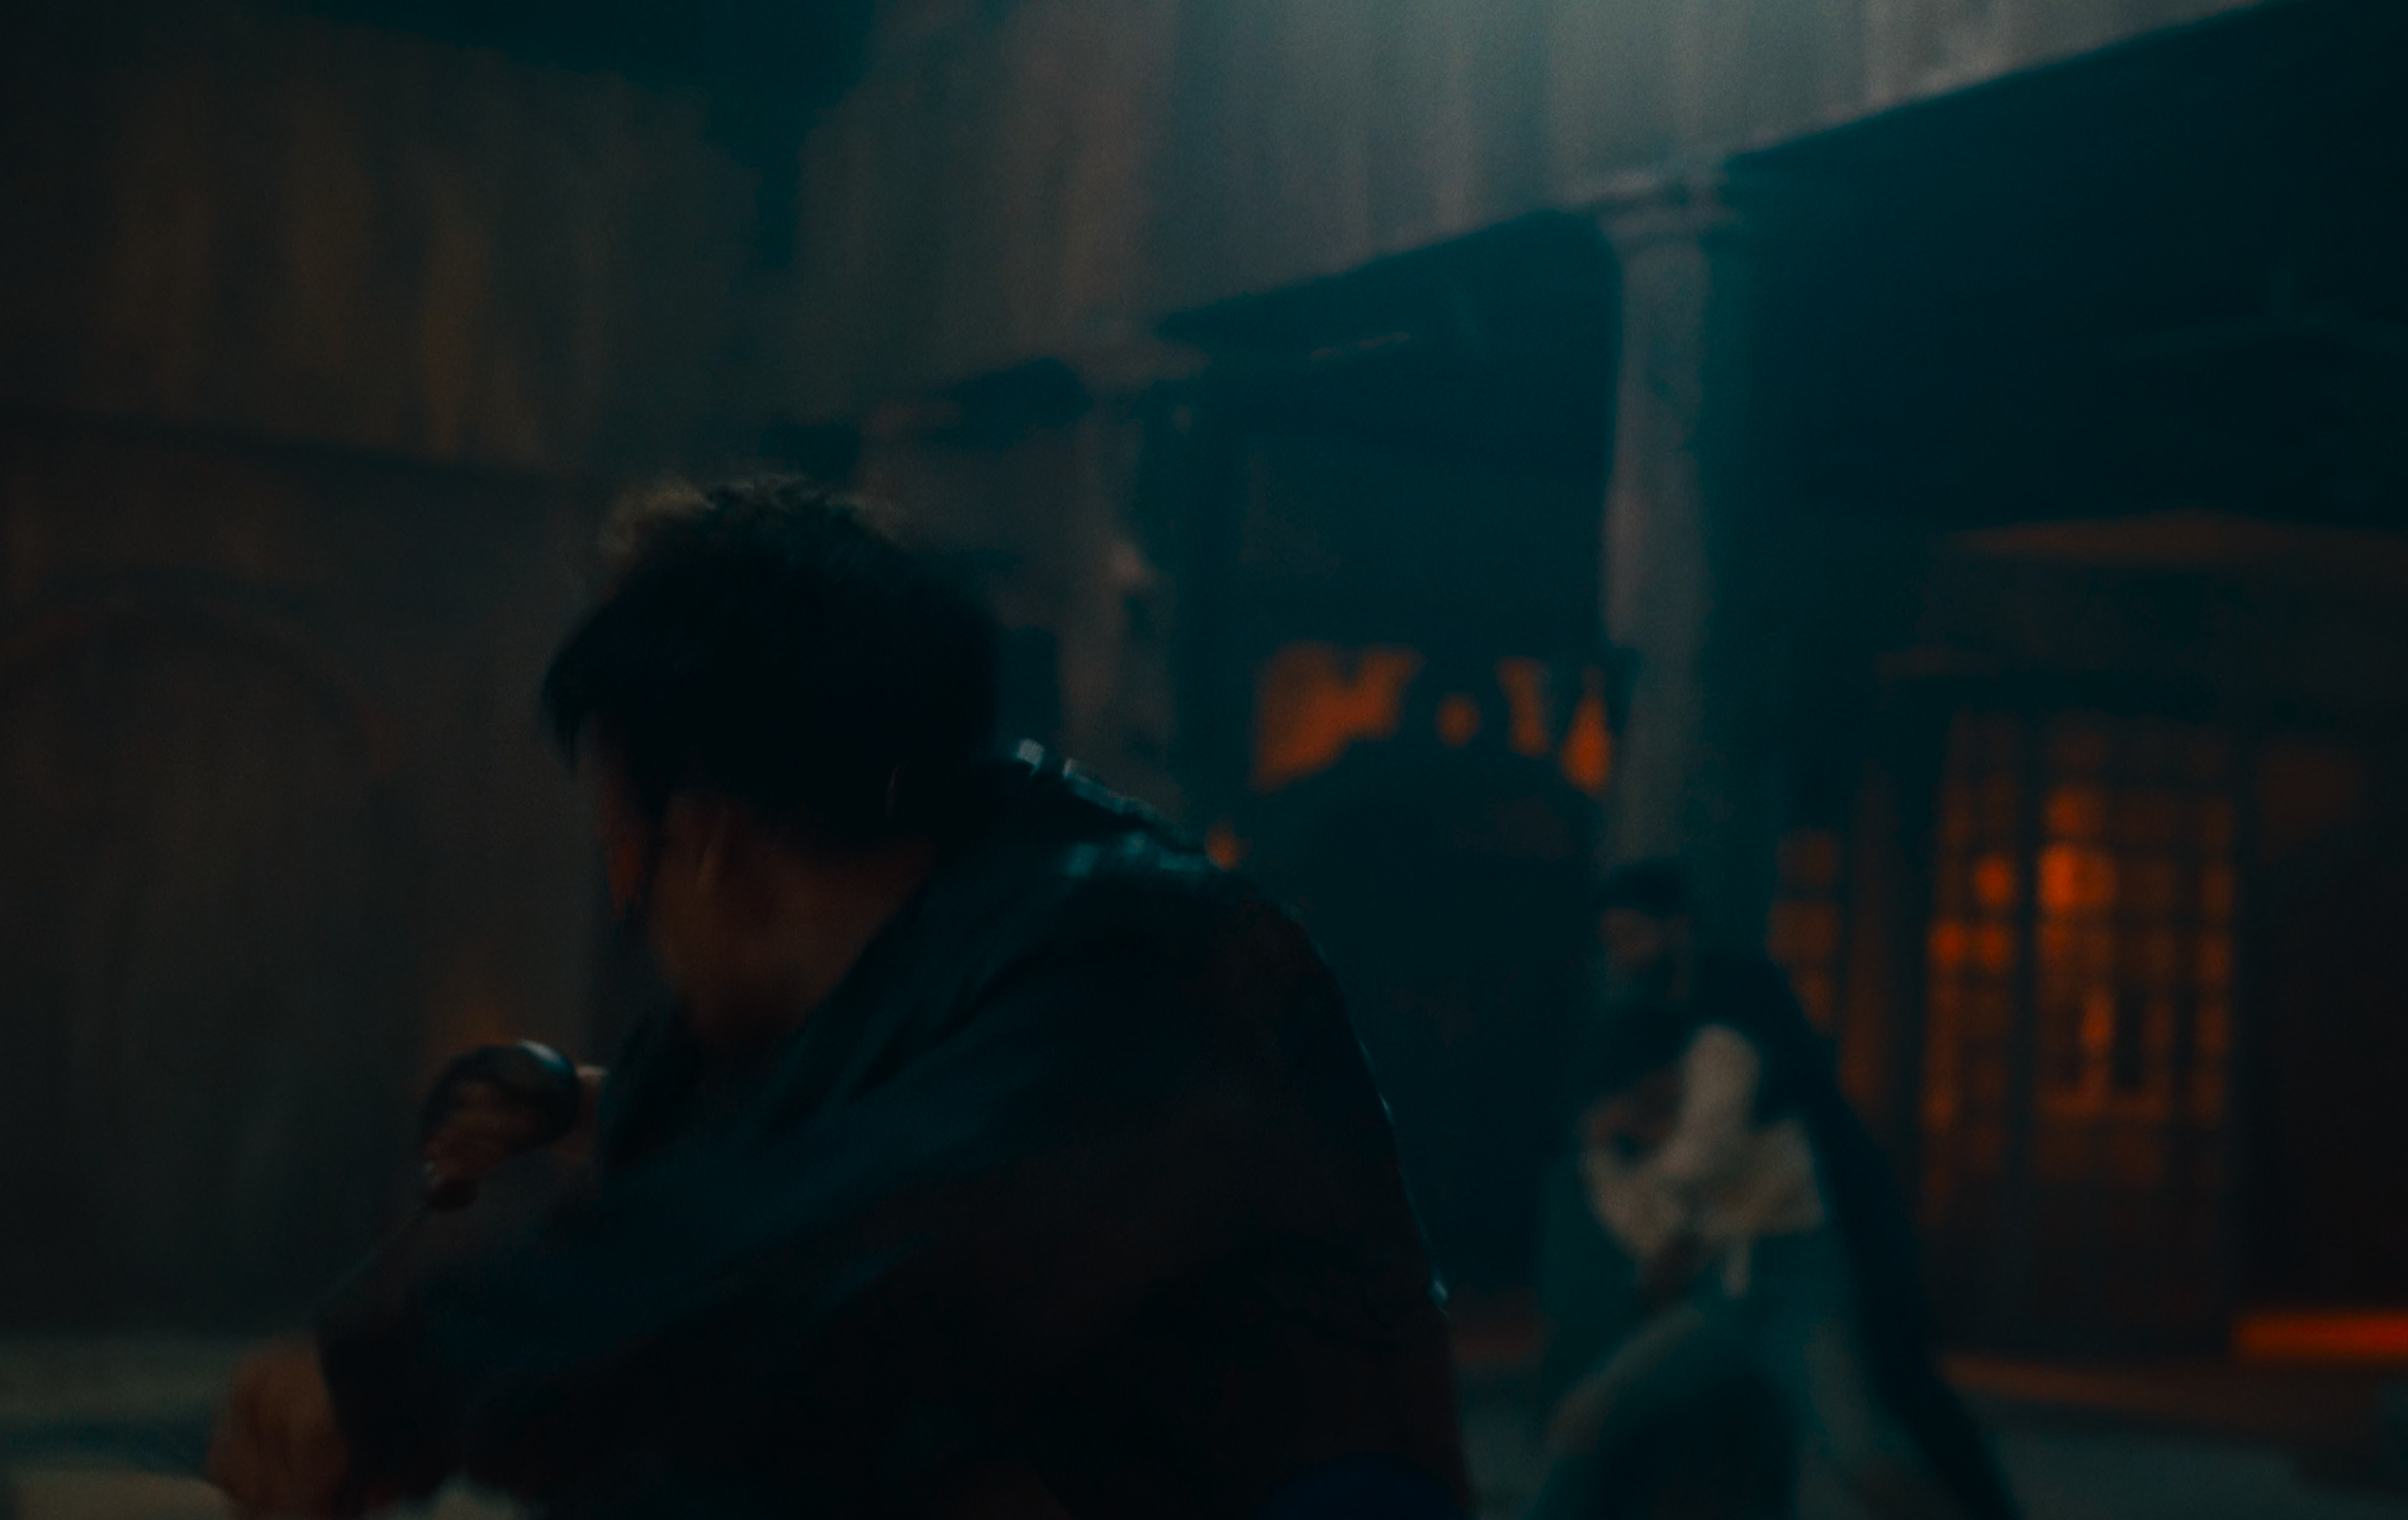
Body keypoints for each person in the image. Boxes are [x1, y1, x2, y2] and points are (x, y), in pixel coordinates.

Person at [205, 477, 1468, 1519]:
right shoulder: (807, 1006)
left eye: (628, 856)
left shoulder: (1147, 954)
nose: (638, 914)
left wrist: (410, 1378)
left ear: (708, 838)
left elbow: (833, 1252)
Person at [1529, 864, 2017, 1520]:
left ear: (1676, 928)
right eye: (1613, 941)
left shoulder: (1731, 1022)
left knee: (1868, 1453)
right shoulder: (1651, 1028)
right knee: (1587, 1415)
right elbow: (1655, 1205)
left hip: (1805, 1278)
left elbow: (1709, 1151)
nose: (1624, 956)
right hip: (1724, 1292)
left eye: (1633, 935)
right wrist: (1610, 1150)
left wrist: (1637, 1139)